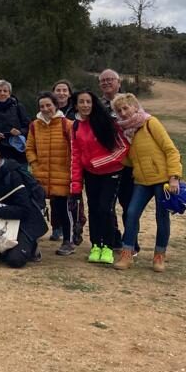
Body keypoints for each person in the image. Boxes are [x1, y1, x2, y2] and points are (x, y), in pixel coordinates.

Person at [112, 93, 183, 272]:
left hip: (162, 180)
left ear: (135, 107)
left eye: (126, 108)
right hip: (141, 181)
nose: (123, 113)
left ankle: (159, 256)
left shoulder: (150, 123)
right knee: (131, 213)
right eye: (119, 110)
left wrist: (174, 177)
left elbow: (171, 150)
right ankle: (127, 253)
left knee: (162, 217)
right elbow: (129, 160)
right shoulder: (125, 132)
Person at [69, 90, 128, 265]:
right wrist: (75, 184)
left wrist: (100, 162)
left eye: (88, 101)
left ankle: (108, 247)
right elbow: (75, 155)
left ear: (93, 103)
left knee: (105, 209)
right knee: (93, 209)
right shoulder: (76, 126)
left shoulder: (108, 122)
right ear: (76, 105)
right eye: (82, 102)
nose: (85, 105)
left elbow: (123, 147)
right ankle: (96, 245)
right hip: (90, 174)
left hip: (111, 172)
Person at [0, 143, 47, 268]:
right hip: (4, 217)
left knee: (14, 261)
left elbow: (24, 210)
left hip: (23, 221)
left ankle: (31, 246)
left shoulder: (12, 175)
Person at [26, 92, 75, 256]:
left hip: (61, 174)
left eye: (49, 105)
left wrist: (69, 168)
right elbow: (29, 148)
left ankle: (68, 241)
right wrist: (34, 164)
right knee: (37, 208)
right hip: (41, 174)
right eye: (42, 106)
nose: (46, 109)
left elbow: (74, 149)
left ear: (56, 105)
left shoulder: (67, 124)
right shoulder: (34, 125)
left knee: (63, 209)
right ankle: (33, 240)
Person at [98, 68, 136, 251]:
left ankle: (131, 243)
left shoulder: (128, 101)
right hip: (106, 164)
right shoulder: (97, 105)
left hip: (128, 163)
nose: (106, 83)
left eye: (110, 80)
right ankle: (115, 240)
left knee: (128, 205)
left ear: (119, 82)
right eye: (103, 81)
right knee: (107, 206)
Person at [52, 78, 85, 244]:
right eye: (58, 90)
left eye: (64, 90)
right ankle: (56, 226)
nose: (61, 93)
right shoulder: (48, 109)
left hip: (73, 159)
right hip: (55, 159)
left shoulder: (75, 111)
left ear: (69, 93)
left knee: (74, 199)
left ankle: (76, 229)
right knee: (55, 197)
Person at [0, 80, 30, 164]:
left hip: (17, 151)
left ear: (9, 93)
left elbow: (28, 126)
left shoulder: (18, 107)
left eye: (5, 91)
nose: (2, 93)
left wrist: (20, 132)